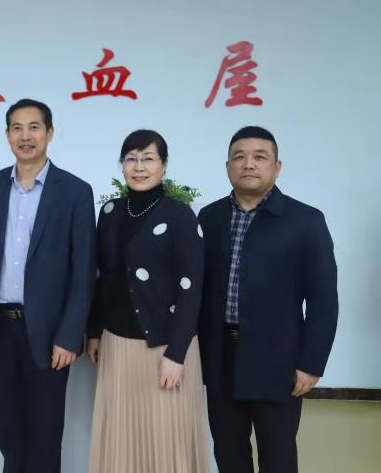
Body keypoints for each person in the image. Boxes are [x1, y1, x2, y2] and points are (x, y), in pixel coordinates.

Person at [198, 126, 338, 473]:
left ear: (277, 167)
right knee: (228, 454)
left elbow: (323, 301)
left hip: (278, 363)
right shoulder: (209, 218)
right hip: (220, 358)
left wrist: (311, 364)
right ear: (227, 166)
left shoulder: (305, 221)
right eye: (239, 157)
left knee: (278, 458)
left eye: (260, 157)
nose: (249, 164)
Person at [0, 98, 96, 473]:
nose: (26, 136)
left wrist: (70, 334)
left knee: (45, 436)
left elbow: (83, 270)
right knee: (9, 435)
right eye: (17, 128)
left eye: (34, 127)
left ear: (49, 133)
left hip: (50, 333)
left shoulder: (74, 191)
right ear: (7, 135)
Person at [86, 129, 209, 472]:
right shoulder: (109, 211)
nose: (139, 167)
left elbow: (191, 289)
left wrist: (176, 355)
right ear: (122, 165)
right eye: (131, 159)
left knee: (165, 437)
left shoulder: (180, 215)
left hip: (165, 347)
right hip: (117, 343)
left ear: (164, 165)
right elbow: (102, 278)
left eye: (148, 159)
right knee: (123, 436)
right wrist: (94, 332)